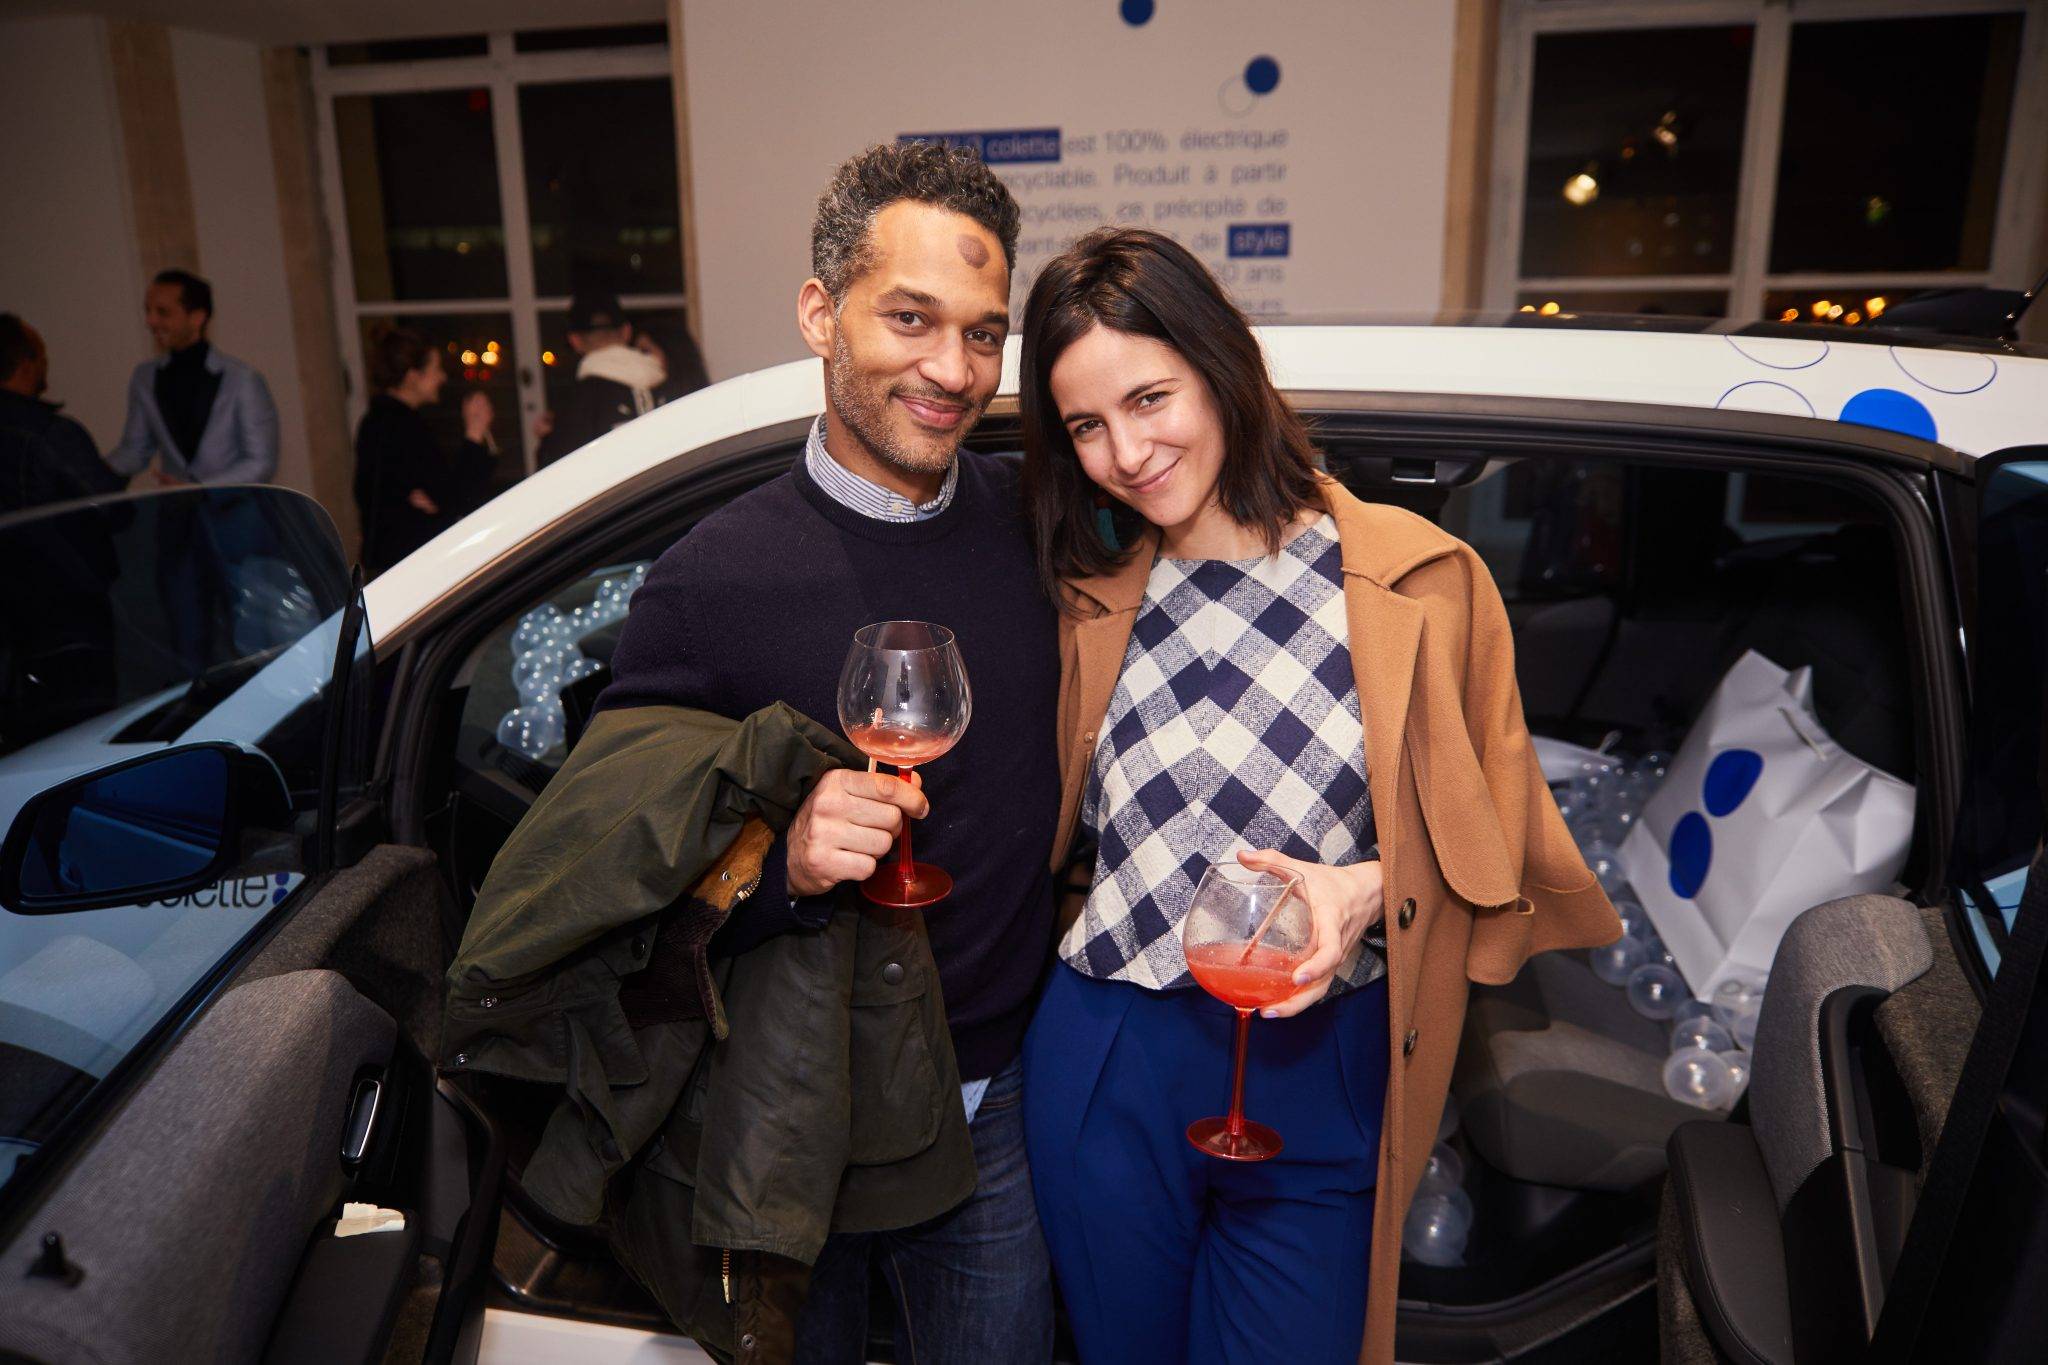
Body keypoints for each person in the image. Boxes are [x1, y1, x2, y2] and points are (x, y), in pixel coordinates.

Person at [1015, 228, 1622, 1365]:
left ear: (1221, 365)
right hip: (1108, 1059)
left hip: (1317, 1057)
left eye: (1150, 398)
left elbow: (1501, 846)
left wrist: (1364, 886)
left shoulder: (1419, 579)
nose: (1126, 452)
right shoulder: (1079, 601)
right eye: (1086, 426)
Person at [598, 141, 1058, 1362]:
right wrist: (778, 869)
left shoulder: (1039, 524)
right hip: (795, 1114)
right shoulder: (706, 582)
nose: (951, 369)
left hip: (999, 1096)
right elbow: (615, 878)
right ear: (819, 312)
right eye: (910, 318)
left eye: (980, 333)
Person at [106, 269, 279, 487]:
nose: (150, 321)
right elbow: (135, 450)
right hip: (181, 518)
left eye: (163, 312)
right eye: (148, 311)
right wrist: (89, 472)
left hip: (236, 516)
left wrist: (201, 491)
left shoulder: (243, 380)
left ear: (197, 317)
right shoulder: (145, 377)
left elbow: (261, 463)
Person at [353, 326, 499, 575]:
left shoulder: (377, 420)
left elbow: (439, 495)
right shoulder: (402, 426)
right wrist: (474, 433)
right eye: (435, 369)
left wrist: (436, 501)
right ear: (412, 376)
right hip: (409, 568)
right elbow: (455, 497)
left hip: (389, 562)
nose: (442, 377)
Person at [534, 291, 707, 466]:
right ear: (626, 332)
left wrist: (548, 440)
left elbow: (556, 476)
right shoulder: (676, 387)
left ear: (574, 340)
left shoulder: (576, 400)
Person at [0, 313, 124, 514]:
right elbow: (112, 508)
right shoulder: (53, 433)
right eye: (41, 355)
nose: (46, 363)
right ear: (25, 366)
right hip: (66, 544)